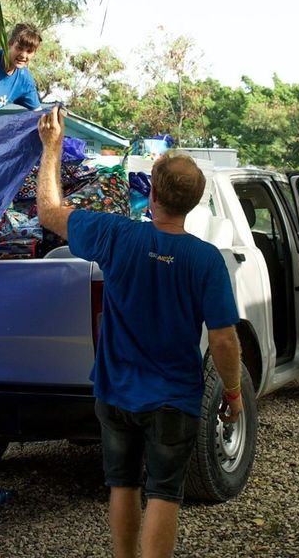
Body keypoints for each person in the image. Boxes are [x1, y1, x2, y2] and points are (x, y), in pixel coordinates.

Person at [35, 107, 244, 558]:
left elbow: (50, 211)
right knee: (165, 492)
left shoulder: (116, 235)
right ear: (193, 203)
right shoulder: (206, 261)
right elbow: (225, 340)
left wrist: (53, 147)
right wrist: (233, 392)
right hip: (175, 399)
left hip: (115, 395)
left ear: (151, 195)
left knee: (122, 485)